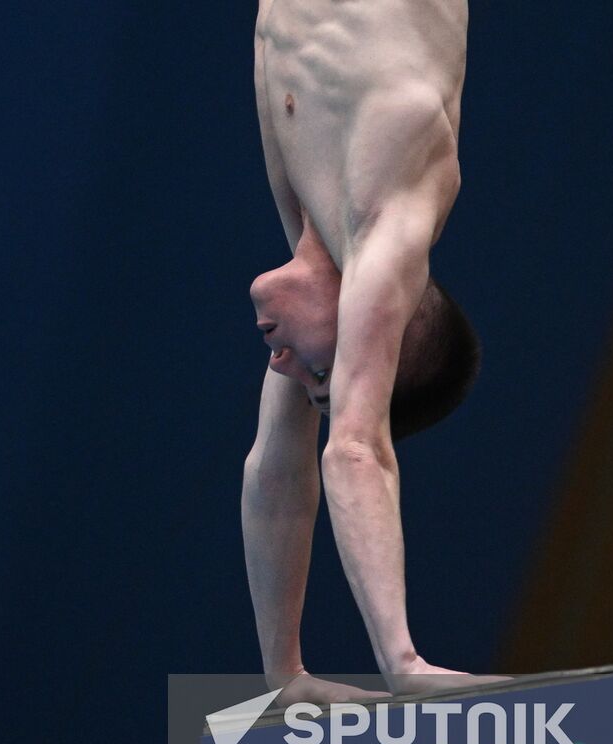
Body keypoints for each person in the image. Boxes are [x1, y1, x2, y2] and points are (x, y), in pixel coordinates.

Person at [243, 0, 492, 702]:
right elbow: (355, 448)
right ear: (376, 335)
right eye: (324, 377)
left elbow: (276, 470)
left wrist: (283, 673)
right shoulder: (392, 219)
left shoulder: (316, 232)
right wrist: (401, 662)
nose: (286, 367)